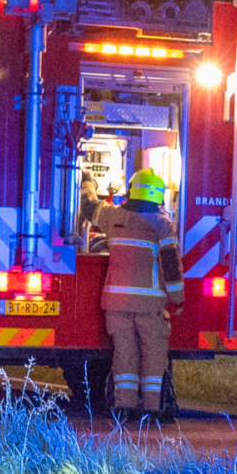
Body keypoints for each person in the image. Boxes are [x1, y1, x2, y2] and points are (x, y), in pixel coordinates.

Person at [95, 169, 183, 416]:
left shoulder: (113, 216)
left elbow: (90, 207)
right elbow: (171, 267)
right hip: (150, 306)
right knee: (153, 356)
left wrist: (88, 185)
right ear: (159, 195)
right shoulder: (163, 225)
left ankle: (124, 407)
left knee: (124, 355)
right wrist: (177, 299)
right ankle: (153, 409)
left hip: (116, 303)